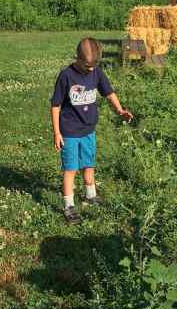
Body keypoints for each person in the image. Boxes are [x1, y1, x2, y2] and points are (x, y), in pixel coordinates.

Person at [51, 37, 133, 224]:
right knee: (70, 168)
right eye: (87, 65)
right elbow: (55, 104)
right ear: (78, 58)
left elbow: (109, 93)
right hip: (69, 131)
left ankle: (90, 195)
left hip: (88, 130)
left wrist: (120, 110)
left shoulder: (96, 72)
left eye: (93, 65)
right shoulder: (66, 76)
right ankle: (69, 206)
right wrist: (57, 132)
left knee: (89, 164)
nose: (90, 69)